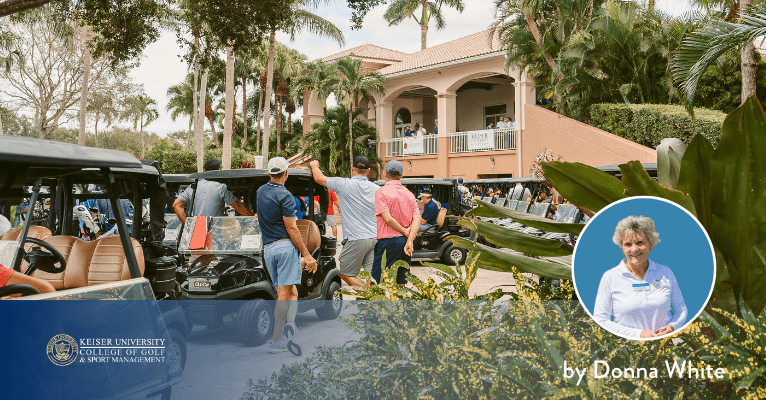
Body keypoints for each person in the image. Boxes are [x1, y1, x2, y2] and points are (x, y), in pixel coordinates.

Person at [256, 157, 317, 354]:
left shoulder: (260, 192)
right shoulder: (286, 196)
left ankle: (291, 327)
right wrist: (307, 255)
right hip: (284, 248)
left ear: (269, 174)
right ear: (286, 173)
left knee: (291, 291)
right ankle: (277, 341)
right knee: (284, 295)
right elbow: (291, 227)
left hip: (268, 250)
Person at [593, 216, 687, 339]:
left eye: (639, 243)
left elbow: (681, 309)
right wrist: (639, 334)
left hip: (667, 343)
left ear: (650, 244)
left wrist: (672, 326)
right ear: (622, 247)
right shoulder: (610, 277)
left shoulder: (665, 272)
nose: (634, 249)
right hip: (629, 347)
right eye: (628, 244)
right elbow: (600, 319)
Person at [309, 157, 378, 289]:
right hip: (374, 237)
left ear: (352, 168)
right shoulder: (376, 188)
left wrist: (314, 165)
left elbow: (319, 178)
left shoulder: (344, 184)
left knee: (345, 273)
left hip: (356, 238)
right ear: (368, 171)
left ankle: (368, 297)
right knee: (370, 276)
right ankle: (373, 304)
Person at [372, 160, 420, 285]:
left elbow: (387, 219)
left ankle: (377, 305)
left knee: (377, 283)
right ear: (401, 176)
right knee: (401, 283)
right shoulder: (409, 194)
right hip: (405, 242)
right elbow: (417, 219)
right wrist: (409, 240)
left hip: (388, 242)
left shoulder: (381, 192)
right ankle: (399, 305)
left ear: (384, 174)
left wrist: (404, 231)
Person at [173, 159, 253, 224]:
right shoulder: (221, 187)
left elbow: (176, 205)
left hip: (197, 231)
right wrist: (253, 218)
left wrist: (187, 225)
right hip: (213, 230)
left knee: (199, 244)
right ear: (218, 171)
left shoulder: (193, 186)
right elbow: (238, 207)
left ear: (204, 171)